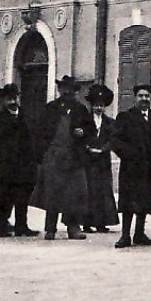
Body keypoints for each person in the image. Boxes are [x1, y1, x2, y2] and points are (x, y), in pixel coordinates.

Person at [30, 74, 95, 241]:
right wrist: (42, 154)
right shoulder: (50, 108)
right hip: (54, 156)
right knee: (53, 192)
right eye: (64, 89)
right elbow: (39, 132)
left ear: (75, 91)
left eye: (71, 90)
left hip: (74, 157)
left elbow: (92, 131)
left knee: (75, 193)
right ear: (60, 90)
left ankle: (73, 227)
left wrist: (84, 133)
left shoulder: (81, 110)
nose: (67, 92)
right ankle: (50, 228)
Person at [111, 84, 151, 249]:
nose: (144, 99)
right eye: (141, 96)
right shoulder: (125, 117)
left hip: (150, 168)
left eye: (147, 96)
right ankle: (125, 235)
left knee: (146, 200)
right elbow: (115, 140)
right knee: (129, 201)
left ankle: (139, 234)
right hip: (131, 168)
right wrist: (129, 155)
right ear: (135, 98)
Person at [0, 84, 38, 237]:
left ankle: (21, 227)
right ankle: (1, 227)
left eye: (15, 98)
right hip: (4, 166)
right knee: (4, 196)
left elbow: (32, 138)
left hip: (24, 165)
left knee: (22, 197)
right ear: (4, 100)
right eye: (9, 99)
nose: (13, 101)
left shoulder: (25, 115)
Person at [83, 84, 119, 235]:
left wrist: (103, 149)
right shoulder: (84, 120)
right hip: (88, 160)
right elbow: (80, 138)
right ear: (91, 106)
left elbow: (113, 139)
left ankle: (101, 223)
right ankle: (86, 223)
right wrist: (88, 148)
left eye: (102, 105)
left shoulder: (110, 122)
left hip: (103, 160)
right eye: (96, 105)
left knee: (103, 190)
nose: (99, 108)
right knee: (88, 190)